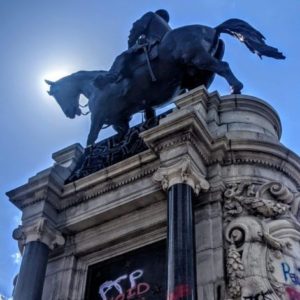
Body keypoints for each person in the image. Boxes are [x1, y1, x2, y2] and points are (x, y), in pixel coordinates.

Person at [94, 9, 171, 88]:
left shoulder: (152, 15)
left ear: (157, 13)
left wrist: (131, 45)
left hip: (149, 45)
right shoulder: (169, 28)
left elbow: (137, 28)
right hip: (164, 50)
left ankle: (110, 76)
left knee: (121, 57)